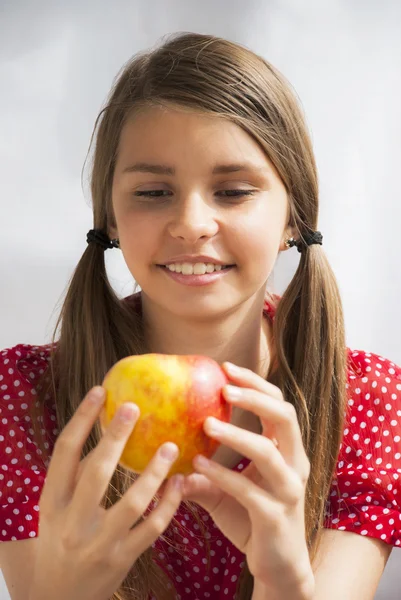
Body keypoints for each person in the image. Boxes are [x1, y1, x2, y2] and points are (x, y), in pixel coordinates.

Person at [0, 31, 400, 600]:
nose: (192, 223)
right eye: (154, 192)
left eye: (234, 191)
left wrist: (285, 581)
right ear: (109, 216)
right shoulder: (25, 398)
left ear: (294, 216)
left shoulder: (366, 401)